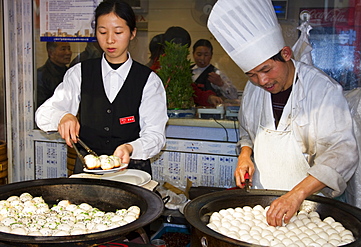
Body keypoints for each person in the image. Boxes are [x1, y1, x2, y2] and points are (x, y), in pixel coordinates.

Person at [208, 0, 358, 226]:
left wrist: (296, 195)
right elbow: (247, 132)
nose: (262, 81)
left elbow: (342, 152)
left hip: (309, 205)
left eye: (266, 70)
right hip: (263, 200)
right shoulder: (253, 90)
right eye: (252, 75)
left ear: (286, 54)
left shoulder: (322, 91)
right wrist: (245, 155)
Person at [35, 0, 168, 175]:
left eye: (118, 32)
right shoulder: (80, 73)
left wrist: (130, 148)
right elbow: (43, 114)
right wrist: (63, 116)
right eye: (102, 32)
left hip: (133, 173)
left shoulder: (149, 81)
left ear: (132, 33)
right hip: (87, 172)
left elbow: (156, 136)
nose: (110, 40)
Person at [192, 39, 238, 103]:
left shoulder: (216, 73)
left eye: (206, 55)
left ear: (211, 56)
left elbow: (234, 96)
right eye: (199, 55)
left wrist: (221, 84)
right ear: (193, 54)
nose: (202, 58)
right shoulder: (186, 71)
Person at [37, 42, 72, 108]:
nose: (68, 53)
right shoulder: (41, 75)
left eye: (69, 49)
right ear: (51, 53)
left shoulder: (70, 73)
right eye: (63, 49)